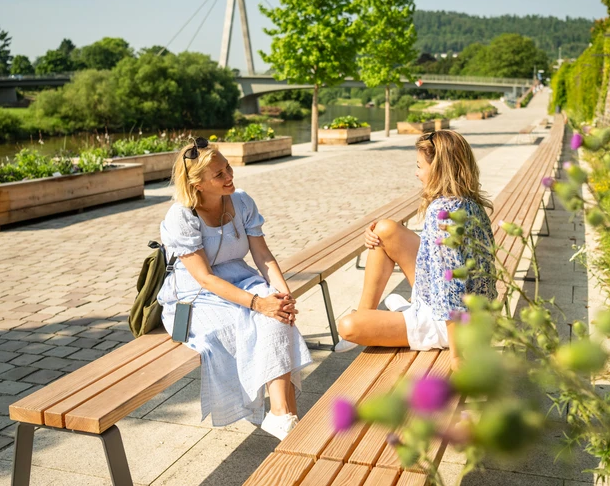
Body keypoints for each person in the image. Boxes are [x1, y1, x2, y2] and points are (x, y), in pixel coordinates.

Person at [157, 137, 312, 440]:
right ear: (197, 184)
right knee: (259, 318)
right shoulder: (181, 216)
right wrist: (259, 303)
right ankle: (287, 420)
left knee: (279, 313)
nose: (229, 177)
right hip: (196, 297)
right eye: (219, 175)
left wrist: (282, 294)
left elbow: (263, 256)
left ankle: (282, 417)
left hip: (241, 279)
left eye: (228, 168)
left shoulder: (241, 201)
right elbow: (204, 279)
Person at [335, 130, 497, 371]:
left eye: (420, 166)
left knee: (348, 327)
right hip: (472, 310)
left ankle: (390, 315)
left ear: (439, 169)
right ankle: (378, 312)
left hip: (450, 323)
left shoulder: (442, 214)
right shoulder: (468, 202)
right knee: (384, 229)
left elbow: (450, 286)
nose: (416, 172)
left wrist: (457, 356)